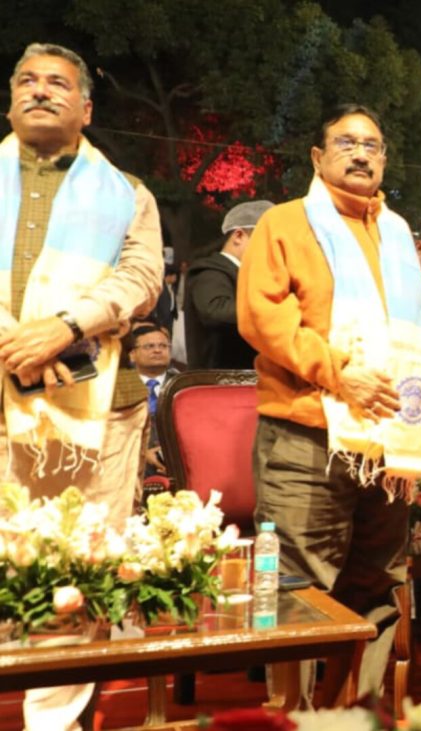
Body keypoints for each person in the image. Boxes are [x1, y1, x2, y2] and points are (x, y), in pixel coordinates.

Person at [237, 103, 421, 700]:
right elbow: (263, 318)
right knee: (297, 589)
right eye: (346, 143)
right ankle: (296, 716)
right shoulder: (285, 222)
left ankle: (359, 710)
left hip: (387, 441)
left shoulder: (397, 235)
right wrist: (338, 374)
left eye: (371, 146)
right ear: (317, 156)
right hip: (306, 433)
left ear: (384, 161)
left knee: (377, 587)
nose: (360, 154)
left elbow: (415, 336)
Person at [0, 42, 162, 731]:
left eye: (58, 83)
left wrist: (64, 328)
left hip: (97, 411)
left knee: (76, 571)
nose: (41, 91)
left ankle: (53, 724)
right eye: (28, 81)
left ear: (86, 108)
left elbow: (142, 278)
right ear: (11, 98)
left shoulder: (126, 191)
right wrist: (16, 342)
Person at [185, 200, 271, 369]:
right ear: (238, 236)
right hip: (219, 380)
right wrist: (278, 309)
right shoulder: (210, 271)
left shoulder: (252, 275)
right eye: (268, 240)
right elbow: (217, 311)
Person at [131, 324, 178, 478]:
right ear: (132, 354)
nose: (157, 350)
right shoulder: (117, 386)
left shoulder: (184, 386)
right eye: (149, 346)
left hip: (178, 462)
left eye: (163, 346)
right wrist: (142, 453)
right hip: (129, 465)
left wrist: (169, 455)